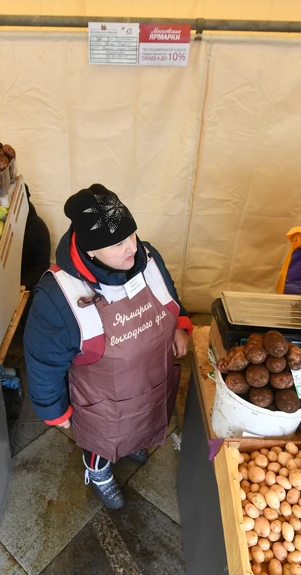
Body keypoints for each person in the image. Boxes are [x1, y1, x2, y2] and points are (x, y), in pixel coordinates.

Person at [23, 184, 192, 509]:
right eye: (117, 243)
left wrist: (179, 326)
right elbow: (43, 364)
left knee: (141, 421)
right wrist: (55, 412)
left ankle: (131, 443)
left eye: (131, 235)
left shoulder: (148, 257)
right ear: (90, 252)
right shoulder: (57, 296)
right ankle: (98, 470)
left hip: (151, 379)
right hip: (102, 402)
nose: (132, 248)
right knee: (103, 440)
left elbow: (169, 297)